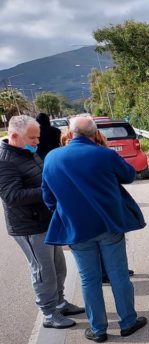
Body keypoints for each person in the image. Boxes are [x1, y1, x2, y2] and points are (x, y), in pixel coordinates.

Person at [41, 115, 147, 343]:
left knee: (89, 279)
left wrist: (65, 211)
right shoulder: (105, 155)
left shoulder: (52, 158)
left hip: (76, 228)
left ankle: (98, 329)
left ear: (69, 133)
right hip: (108, 224)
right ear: (95, 133)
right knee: (118, 274)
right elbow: (129, 176)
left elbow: (48, 197)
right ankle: (128, 321)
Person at [0, 115, 84, 329]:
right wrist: (49, 190)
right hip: (28, 226)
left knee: (58, 267)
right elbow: (12, 196)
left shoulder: (28, 152)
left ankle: (60, 302)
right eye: (33, 138)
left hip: (46, 221)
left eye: (37, 137)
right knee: (42, 271)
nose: (37, 142)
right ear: (15, 136)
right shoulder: (5, 161)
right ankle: (49, 313)